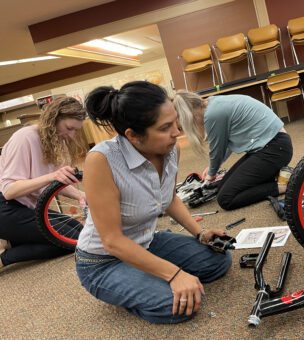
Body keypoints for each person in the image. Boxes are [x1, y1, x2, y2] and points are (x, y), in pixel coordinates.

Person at [77, 81, 231, 324]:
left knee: (218, 261)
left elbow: (168, 198)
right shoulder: (101, 160)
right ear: (133, 136)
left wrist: (200, 233)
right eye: (165, 127)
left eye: (174, 121)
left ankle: (145, 273)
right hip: (103, 262)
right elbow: (112, 241)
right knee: (177, 306)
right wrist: (174, 274)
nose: (176, 132)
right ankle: (135, 286)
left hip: (145, 242)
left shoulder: (171, 150)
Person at [0, 96, 86, 269]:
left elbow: (53, 181)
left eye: (75, 130)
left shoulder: (53, 141)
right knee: (74, 242)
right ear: (53, 118)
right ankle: (5, 258)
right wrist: (52, 176)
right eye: (69, 128)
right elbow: (9, 190)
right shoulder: (24, 138)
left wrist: (80, 195)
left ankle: (15, 241)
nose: (71, 135)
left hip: (26, 206)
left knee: (80, 233)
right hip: (6, 207)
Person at [173, 91, 293, 211]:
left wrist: (211, 174)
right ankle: (277, 175)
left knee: (225, 198)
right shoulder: (213, 104)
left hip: (275, 148)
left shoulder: (212, 114)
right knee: (222, 188)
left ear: (188, 115)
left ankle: (284, 186)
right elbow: (225, 145)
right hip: (271, 146)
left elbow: (217, 150)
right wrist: (211, 168)